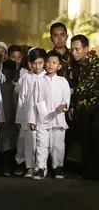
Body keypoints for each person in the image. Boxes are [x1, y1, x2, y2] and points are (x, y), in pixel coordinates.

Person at [29, 51, 71, 180]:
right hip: (43, 118)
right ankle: (41, 168)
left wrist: (63, 106)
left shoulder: (63, 81)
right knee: (42, 144)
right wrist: (32, 119)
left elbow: (66, 98)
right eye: (48, 62)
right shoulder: (39, 81)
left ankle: (58, 167)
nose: (50, 65)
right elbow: (33, 101)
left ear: (59, 66)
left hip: (58, 118)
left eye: (54, 62)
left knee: (58, 144)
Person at [13, 48, 47, 178]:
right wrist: (20, 118)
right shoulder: (26, 77)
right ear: (29, 63)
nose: (36, 66)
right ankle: (29, 167)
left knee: (41, 142)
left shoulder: (46, 77)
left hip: (43, 116)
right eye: (34, 63)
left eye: (39, 63)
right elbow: (21, 97)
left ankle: (41, 167)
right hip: (27, 115)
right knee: (27, 141)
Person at [69, 35, 99, 178]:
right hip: (82, 106)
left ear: (86, 49)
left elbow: (88, 84)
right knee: (84, 138)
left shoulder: (95, 63)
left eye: (77, 49)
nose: (74, 52)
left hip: (95, 106)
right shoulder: (75, 65)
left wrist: (70, 91)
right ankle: (88, 170)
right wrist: (73, 103)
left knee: (94, 135)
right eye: (72, 49)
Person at [0, 60, 19, 176]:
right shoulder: (0, 87)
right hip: (4, 118)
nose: (10, 73)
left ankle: (12, 165)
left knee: (15, 142)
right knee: (4, 142)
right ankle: (5, 166)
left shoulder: (18, 86)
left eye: (12, 71)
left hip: (16, 118)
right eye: (7, 71)